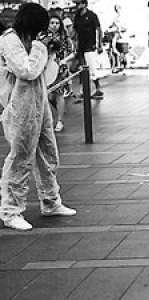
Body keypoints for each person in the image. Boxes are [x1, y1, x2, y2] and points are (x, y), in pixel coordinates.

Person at [0, 3, 76, 231]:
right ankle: (11, 210)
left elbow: (47, 75)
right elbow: (27, 70)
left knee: (48, 152)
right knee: (20, 157)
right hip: (19, 106)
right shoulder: (10, 41)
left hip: (38, 102)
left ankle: (51, 200)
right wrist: (41, 47)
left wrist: (50, 51)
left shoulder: (33, 41)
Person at [46, 14, 74, 132]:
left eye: (57, 23)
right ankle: (57, 114)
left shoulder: (65, 38)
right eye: (52, 23)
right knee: (47, 95)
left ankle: (60, 120)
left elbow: (73, 52)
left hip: (60, 69)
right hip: (46, 69)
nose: (54, 25)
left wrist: (64, 61)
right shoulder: (43, 37)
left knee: (59, 94)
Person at [73, 0, 104, 99]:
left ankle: (98, 88)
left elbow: (99, 29)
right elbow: (75, 32)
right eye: (76, 3)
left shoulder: (92, 15)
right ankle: (84, 90)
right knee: (83, 69)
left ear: (84, 4)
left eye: (79, 3)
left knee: (92, 67)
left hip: (90, 45)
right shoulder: (77, 16)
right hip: (81, 46)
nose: (77, 5)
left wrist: (100, 44)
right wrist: (75, 45)